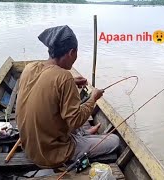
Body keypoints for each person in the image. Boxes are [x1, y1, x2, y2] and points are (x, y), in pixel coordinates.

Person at [15, 25, 120, 169]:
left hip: (29, 148)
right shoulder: (64, 77)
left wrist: (71, 83)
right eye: (76, 53)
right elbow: (75, 120)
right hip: (51, 154)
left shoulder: (30, 68)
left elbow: (47, 87)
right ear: (71, 52)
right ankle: (80, 138)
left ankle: (84, 134)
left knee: (67, 112)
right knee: (114, 141)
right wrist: (93, 98)